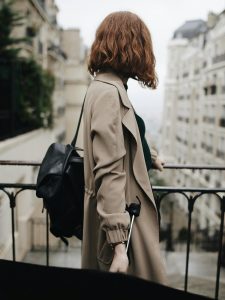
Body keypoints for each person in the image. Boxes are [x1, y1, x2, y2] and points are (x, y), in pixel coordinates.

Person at [82, 11, 167, 284]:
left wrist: (147, 156)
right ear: (132, 46)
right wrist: (120, 245)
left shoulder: (106, 86)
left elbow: (121, 138)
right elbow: (109, 169)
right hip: (124, 223)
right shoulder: (109, 93)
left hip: (122, 217)